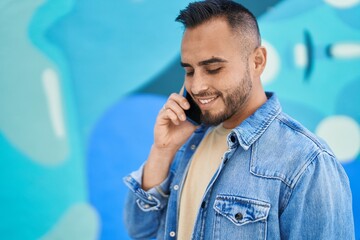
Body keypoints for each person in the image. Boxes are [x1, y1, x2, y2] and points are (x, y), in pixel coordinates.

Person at [123, 0, 355, 239]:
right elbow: (141, 231)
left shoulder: (306, 163)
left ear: (258, 61)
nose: (197, 85)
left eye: (213, 69)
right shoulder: (186, 143)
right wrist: (163, 150)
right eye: (189, 71)